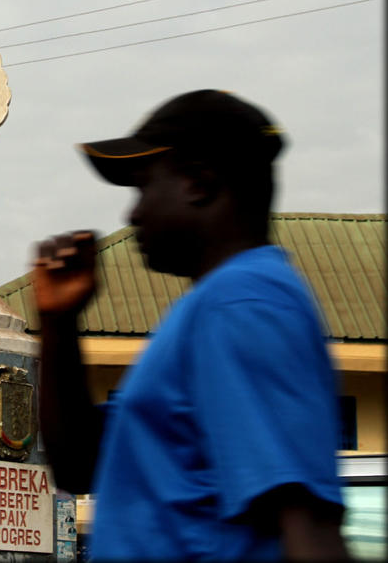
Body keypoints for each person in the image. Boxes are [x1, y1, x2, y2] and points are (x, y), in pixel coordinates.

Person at [33, 89, 348, 560]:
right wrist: (58, 323)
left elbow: (306, 527)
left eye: (143, 187)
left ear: (198, 182)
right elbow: (80, 465)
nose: (132, 213)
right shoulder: (209, 308)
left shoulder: (243, 304)